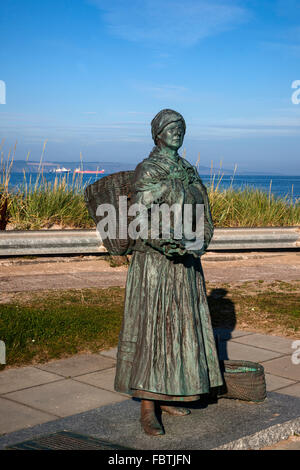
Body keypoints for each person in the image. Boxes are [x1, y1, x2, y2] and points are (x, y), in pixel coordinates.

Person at [114, 109, 223, 436]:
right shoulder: (148, 169)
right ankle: (148, 404)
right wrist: (165, 244)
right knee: (153, 328)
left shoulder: (188, 170)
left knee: (178, 329)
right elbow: (140, 215)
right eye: (171, 128)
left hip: (185, 262)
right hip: (156, 264)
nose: (177, 132)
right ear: (157, 133)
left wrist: (199, 241)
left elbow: (203, 212)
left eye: (181, 128)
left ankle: (168, 392)